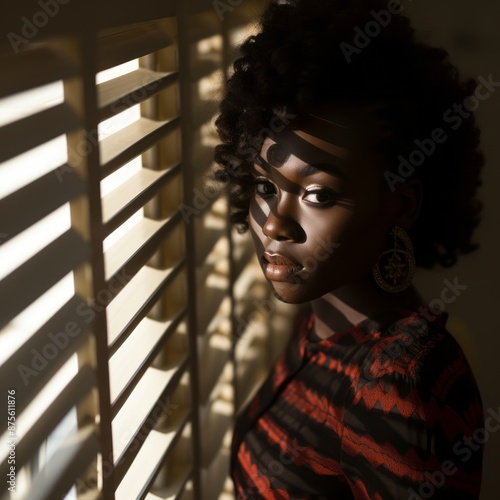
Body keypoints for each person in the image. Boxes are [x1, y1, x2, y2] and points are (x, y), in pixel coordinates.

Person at [214, 0, 485, 498]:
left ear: (398, 205)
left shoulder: (398, 385)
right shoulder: (324, 323)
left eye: (317, 195)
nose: (275, 223)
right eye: (266, 187)